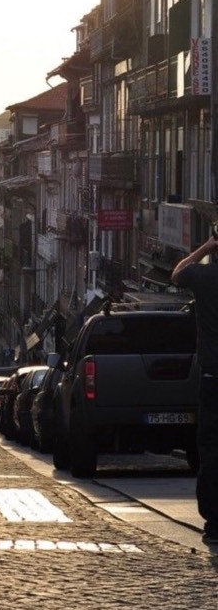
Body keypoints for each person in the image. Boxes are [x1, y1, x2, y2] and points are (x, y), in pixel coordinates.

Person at [172, 233, 218, 545]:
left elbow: (177, 274)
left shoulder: (205, 277)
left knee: (212, 449)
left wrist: (207, 245)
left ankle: (214, 522)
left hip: (213, 375)